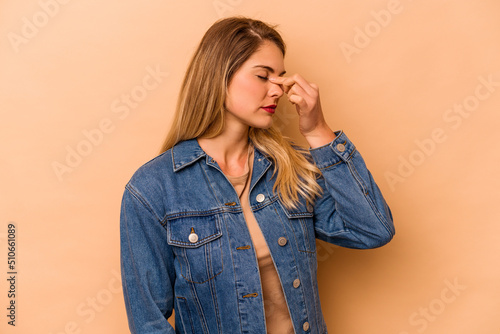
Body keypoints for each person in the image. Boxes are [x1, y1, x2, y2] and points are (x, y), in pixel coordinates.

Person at [120, 16, 395, 334]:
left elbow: (374, 230)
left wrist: (319, 131)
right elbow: (148, 321)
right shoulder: (153, 188)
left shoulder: (290, 169)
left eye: (280, 77)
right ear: (219, 77)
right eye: (263, 76)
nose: (278, 89)